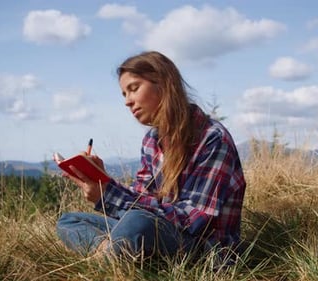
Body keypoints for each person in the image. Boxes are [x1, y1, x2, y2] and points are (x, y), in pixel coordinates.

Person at [56, 51, 246, 265]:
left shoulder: (212, 138)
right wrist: (103, 180)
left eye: (134, 88)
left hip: (204, 251)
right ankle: (109, 253)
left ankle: (115, 255)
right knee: (69, 220)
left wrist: (108, 194)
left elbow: (193, 219)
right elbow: (141, 197)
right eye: (124, 94)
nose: (128, 102)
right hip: (159, 232)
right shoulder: (151, 140)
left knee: (136, 223)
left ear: (164, 84)